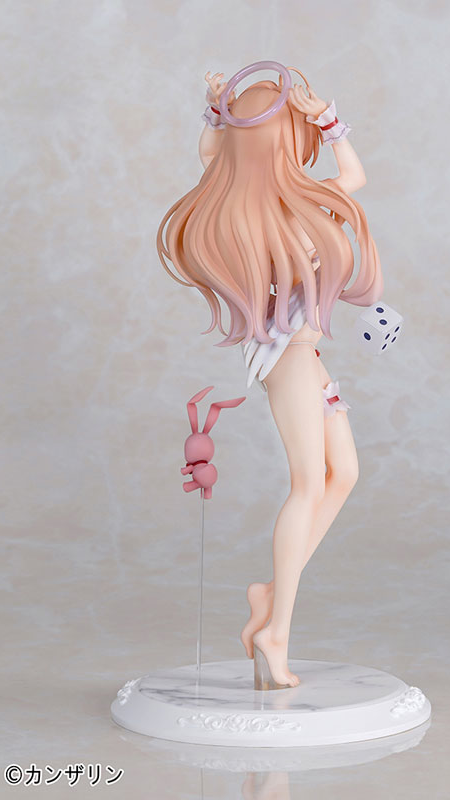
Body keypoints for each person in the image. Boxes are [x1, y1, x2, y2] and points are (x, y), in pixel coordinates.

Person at [157, 67, 383, 688]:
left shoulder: (294, 202)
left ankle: (269, 594)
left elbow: (354, 180)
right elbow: (216, 159)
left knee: (345, 473)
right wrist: (226, 115)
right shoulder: (249, 214)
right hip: (287, 359)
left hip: (308, 359)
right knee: (308, 484)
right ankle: (274, 631)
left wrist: (323, 116)